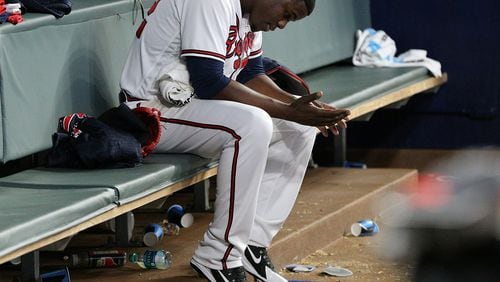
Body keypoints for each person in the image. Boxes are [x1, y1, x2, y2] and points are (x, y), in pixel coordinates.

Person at [120, 0, 350, 281]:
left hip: (189, 105)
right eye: (285, 15)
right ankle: (218, 255)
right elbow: (209, 81)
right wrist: (290, 110)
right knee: (252, 125)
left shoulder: (250, 15)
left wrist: (301, 108)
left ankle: (252, 243)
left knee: (297, 128)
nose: (281, 24)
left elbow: (251, 74)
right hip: (151, 111)